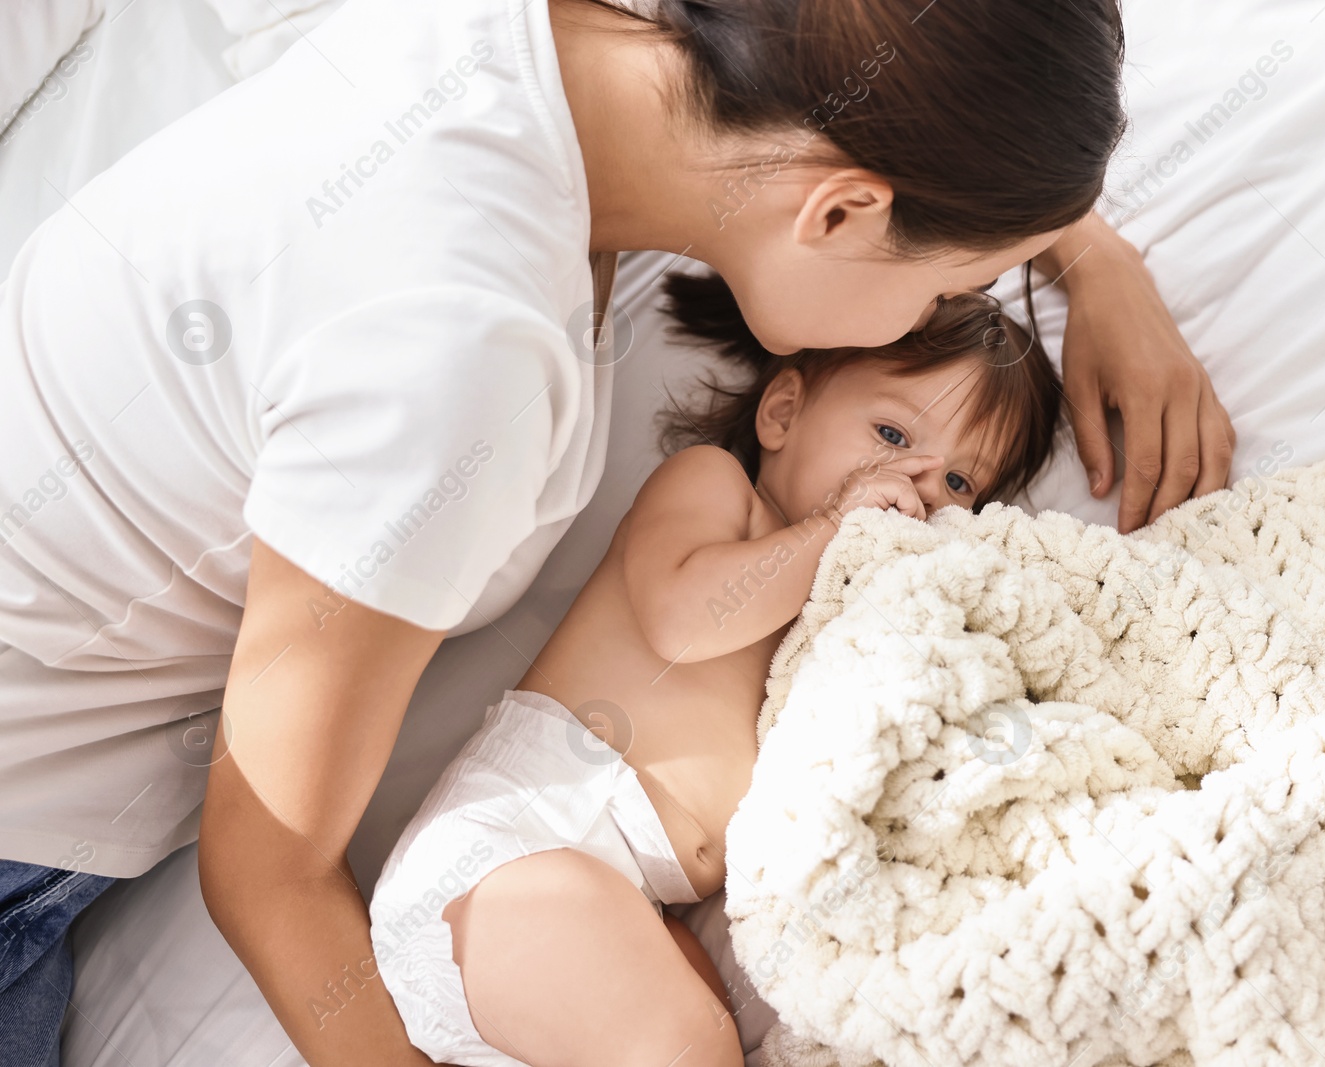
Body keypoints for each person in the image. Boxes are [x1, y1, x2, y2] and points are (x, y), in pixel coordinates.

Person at [0, 0, 1231, 1064]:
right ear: (844, 208)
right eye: (952, 287)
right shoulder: (455, 364)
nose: (941, 315)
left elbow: (882, 80)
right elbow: (266, 866)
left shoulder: (609, 51)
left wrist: (1088, 253)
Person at [369, 274, 1065, 1067]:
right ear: (782, 412)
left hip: (624, 906)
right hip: (510, 857)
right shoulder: (716, 489)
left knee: (729, 1037)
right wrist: (834, 523)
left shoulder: (838, 627)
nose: (916, 486)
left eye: (958, 483)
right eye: (894, 436)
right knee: (688, 1046)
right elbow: (682, 619)